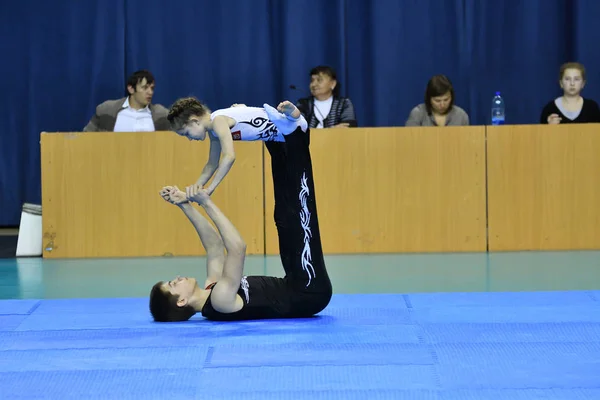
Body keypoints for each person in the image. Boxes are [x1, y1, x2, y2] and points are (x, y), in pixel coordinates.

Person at [150, 102, 332, 322]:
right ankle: (296, 134)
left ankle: (282, 136)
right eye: (172, 284)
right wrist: (206, 202)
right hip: (309, 290)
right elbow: (237, 248)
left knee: (284, 216)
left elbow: (215, 245)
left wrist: (184, 203)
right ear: (181, 302)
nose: (177, 278)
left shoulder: (213, 287)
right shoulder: (220, 301)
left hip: (295, 281)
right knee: (298, 209)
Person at [166, 98, 299, 197]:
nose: (189, 139)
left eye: (187, 133)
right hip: (280, 143)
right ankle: (293, 116)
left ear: (195, 121)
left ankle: (293, 114)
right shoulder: (214, 129)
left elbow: (229, 157)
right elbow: (212, 164)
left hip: (292, 134)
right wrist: (194, 189)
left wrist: (210, 189)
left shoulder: (218, 121)